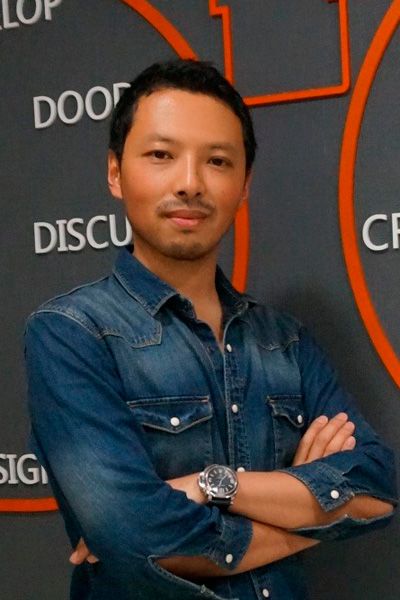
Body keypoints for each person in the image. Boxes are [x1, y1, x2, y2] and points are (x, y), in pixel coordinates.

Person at [25, 59, 397, 600]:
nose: (190, 183)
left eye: (218, 161)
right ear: (115, 172)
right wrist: (314, 519)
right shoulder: (72, 334)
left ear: (244, 185)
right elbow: (138, 541)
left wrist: (212, 485)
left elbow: (377, 488)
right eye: (161, 155)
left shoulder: (285, 341)